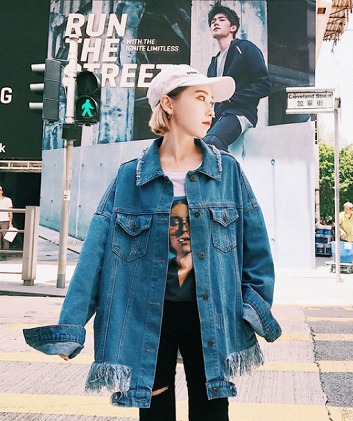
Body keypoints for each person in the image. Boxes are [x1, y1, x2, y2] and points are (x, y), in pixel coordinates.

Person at [23, 64, 281, 421]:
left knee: (211, 410)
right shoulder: (131, 177)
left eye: (211, 101)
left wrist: (252, 309)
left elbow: (257, 252)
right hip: (148, 318)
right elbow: (95, 255)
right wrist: (71, 325)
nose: (211, 109)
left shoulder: (227, 172)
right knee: (155, 410)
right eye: (200, 98)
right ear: (169, 104)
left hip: (210, 315)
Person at [203, 1, 272, 152]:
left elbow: (264, 84)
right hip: (219, 118)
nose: (215, 23)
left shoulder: (245, 48)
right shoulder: (213, 64)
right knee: (196, 147)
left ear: (233, 27)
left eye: (221, 20)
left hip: (241, 113)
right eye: (213, 21)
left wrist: (232, 98)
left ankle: (228, 168)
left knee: (212, 142)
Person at [0, 185, 13, 256]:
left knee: (5, 239)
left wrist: (10, 222)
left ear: (2, 191)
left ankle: (4, 255)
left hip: (5, 220)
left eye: (0, 190)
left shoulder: (8, 200)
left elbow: (10, 212)